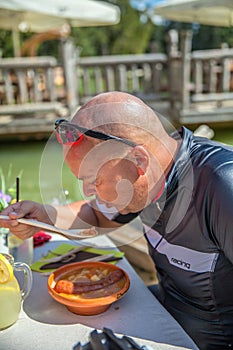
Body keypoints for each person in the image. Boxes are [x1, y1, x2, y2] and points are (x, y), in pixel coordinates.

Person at [1, 91, 233, 349]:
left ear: (138, 160)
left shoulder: (224, 185)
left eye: (93, 180)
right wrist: (42, 216)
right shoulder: (146, 176)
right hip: (167, 312)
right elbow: (96, 215)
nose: (88, 192)